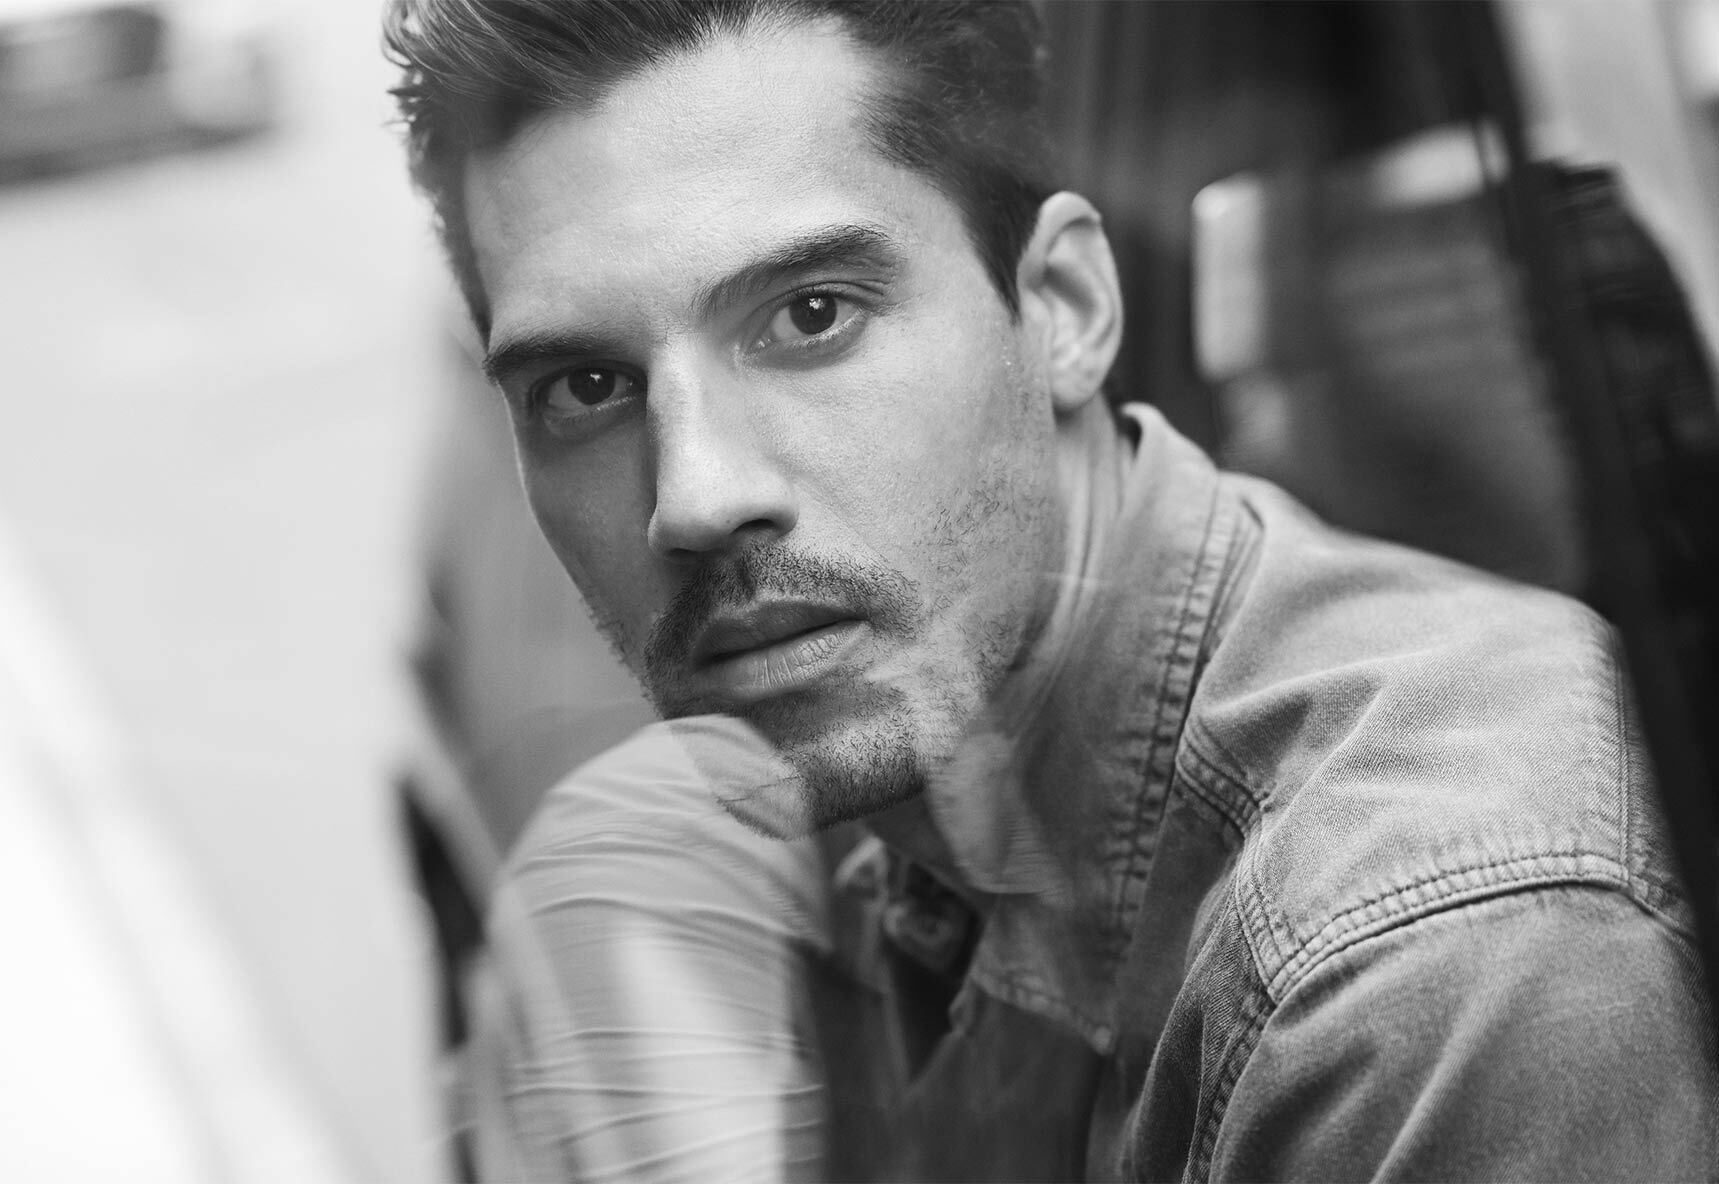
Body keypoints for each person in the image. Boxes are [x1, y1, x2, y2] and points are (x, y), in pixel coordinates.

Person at [384, 1, 1719, 1179]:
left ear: (1066, 306)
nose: (694, 495)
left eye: (810, 316)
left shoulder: (1423, 969)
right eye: (585, 387)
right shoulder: (922, 813)